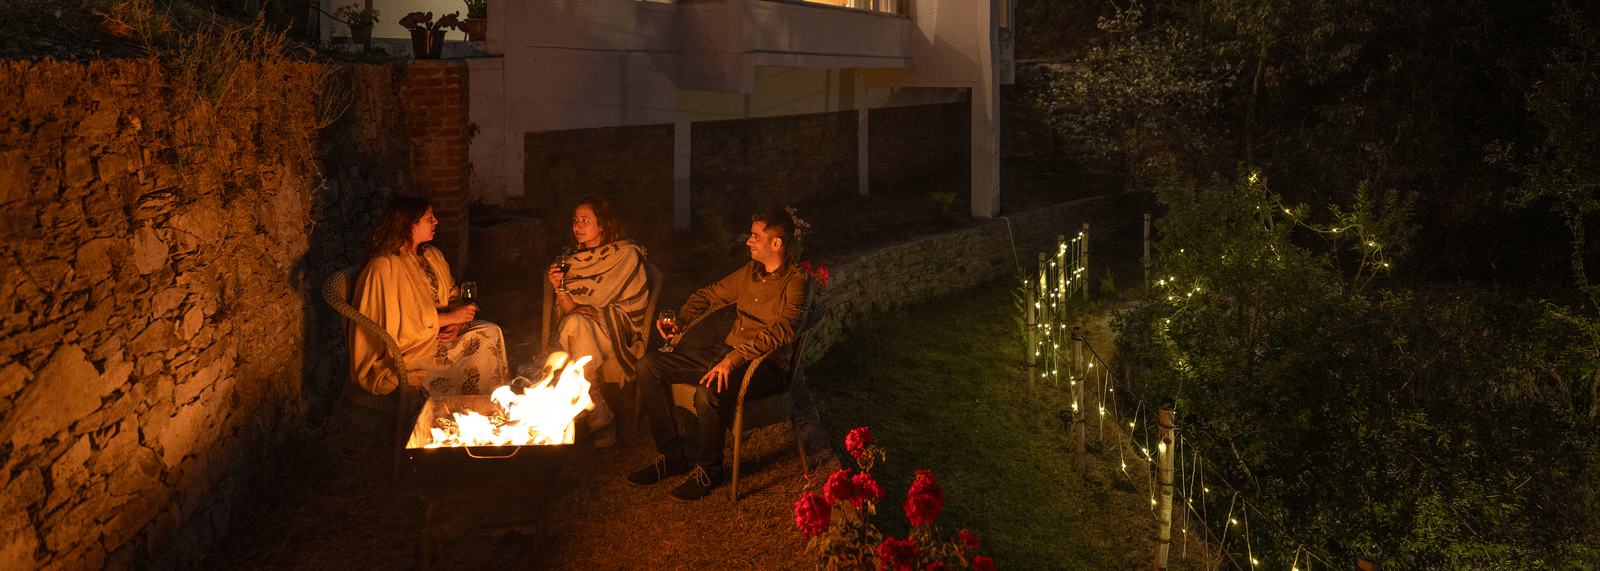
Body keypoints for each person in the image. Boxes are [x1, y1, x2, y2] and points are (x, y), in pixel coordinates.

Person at [626, 206, 808, 502]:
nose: (748, 241)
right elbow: (708, 294)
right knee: (649, 365)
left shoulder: (797, 281)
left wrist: (732, 360)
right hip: (728, 352)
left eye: (755, 236)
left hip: (766, 365)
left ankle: (710, 470)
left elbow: (783, 331)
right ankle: (672, 457)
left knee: (706, 392)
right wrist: (681, 320)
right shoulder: (749, 272)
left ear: (776, 243)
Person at [348, 196, 509, 396]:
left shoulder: (432, 255)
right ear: (410, 225)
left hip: (440, 333)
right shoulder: (384, 266)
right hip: (411, 348)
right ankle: (470, 406)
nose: (436, 222)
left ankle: (491, 404)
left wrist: (456, 323)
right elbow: (397, 324)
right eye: (429, 218)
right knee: (482, 347)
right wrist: (450, 318)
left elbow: (452, 291)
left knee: (492, 332)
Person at [546, 195, 650, 447]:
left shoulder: (625, 255)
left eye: (585, 221)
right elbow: (571, 310)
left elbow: (637, 304)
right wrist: (559, 287)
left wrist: (604, 314)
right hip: (582, 331)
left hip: (613, 331)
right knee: (575, 323)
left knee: (575, 325)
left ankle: (594, 412)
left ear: (602, 225)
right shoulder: (571, 262)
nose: (578, 226)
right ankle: (598, 410)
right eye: (575, 221)